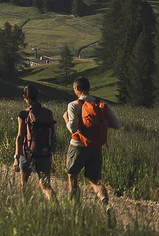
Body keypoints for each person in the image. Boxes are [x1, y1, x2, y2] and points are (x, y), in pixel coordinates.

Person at [63, 76, 121, 216]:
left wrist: (65, 118)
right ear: (89, 88)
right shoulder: (101, 105)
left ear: (77, 88)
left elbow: (73, 128)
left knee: (72, 176)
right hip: (96, 147)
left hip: (77, 145)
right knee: (94, 180)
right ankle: (105, 202)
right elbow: (117, 125)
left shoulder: (74, 105)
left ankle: (74, 210)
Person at [13, 84, 56, 199]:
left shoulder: (23, 114)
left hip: (28, 154)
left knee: (24, 184)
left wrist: (16, 158)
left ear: (24, 97)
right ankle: (54, 204)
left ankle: (25, 208)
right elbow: (52, 135)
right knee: (45, 185)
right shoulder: (48, 113)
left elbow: (19, 137)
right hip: (45, 153)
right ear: (37, 96)